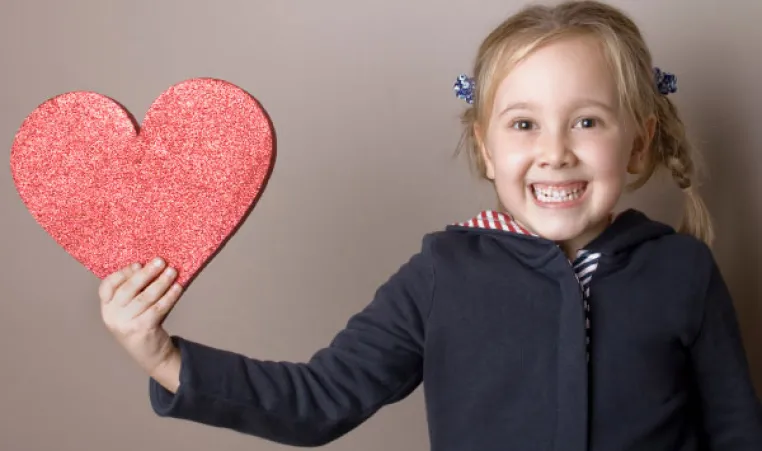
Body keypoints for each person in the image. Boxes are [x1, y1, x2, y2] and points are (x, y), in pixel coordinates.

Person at [98, 1, 762, 449]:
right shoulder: (444, 271)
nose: (556, 150)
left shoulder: (683, 271)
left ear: (638, 144)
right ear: (485, 146)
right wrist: (164, 357)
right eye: (524, 124)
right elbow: (320, 396)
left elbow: (736, 429)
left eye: (587, 121)